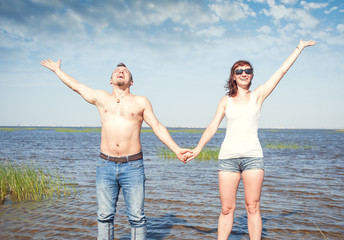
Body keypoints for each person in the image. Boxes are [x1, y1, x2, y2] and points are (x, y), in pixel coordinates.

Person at [40, 59, 190, 240]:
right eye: (117, 70)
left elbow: (157, 126)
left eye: (125, 71)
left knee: (137, 218)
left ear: (131, 81)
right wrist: (57, 70)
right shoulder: (102, 98)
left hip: (133, 166)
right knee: (104, 217)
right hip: (105, 165)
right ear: (110, 80)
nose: (120, 72)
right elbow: (77, 86)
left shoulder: (141, 101)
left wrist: (176, 149)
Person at [186, 40, 317, 240]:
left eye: (247, 70)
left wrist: (299, 48)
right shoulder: (226, 100)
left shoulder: (258, 96)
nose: (243, 73)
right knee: (227, 208)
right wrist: (198, 148)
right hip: (228, 159)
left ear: (252, 75)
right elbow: (213, 126)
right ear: (233, 76)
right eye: (239, 71)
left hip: (252, 158)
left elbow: (281, 72)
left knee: (253, 206)